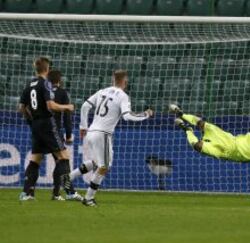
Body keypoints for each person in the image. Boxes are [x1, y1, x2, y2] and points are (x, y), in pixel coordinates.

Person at [68, 70, 154, 207]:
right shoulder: (123, 96)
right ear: (125, 81)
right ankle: (89, 198)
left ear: (112, 79)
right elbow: (127, 116)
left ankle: (68, 178)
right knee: (104, 166)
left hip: (91, 131)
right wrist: (146, 114)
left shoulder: (102, 91)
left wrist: (83, 126)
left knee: (97, 163)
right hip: (103, 134)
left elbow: (85, 106)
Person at [18, 57, 78, 200]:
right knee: (63, 156)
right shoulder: (45, 83)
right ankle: (70, 192)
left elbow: (21, 107)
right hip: (47, 122)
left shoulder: (29, 84)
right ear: (47, 69)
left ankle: (26, 193)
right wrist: (67, 107)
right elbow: (51, 105)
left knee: (36, 158)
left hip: (36, 125)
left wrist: (31, 121)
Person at [47, 69, 82, 201]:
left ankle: (55, 194)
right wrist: (68, 135)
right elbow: (67, 117)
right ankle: (70, 192)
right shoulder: (62, 93)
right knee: (64, 159)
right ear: (60, 80)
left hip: (39, 130)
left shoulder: (44, 93)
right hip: (54, 131)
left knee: (54, 161)